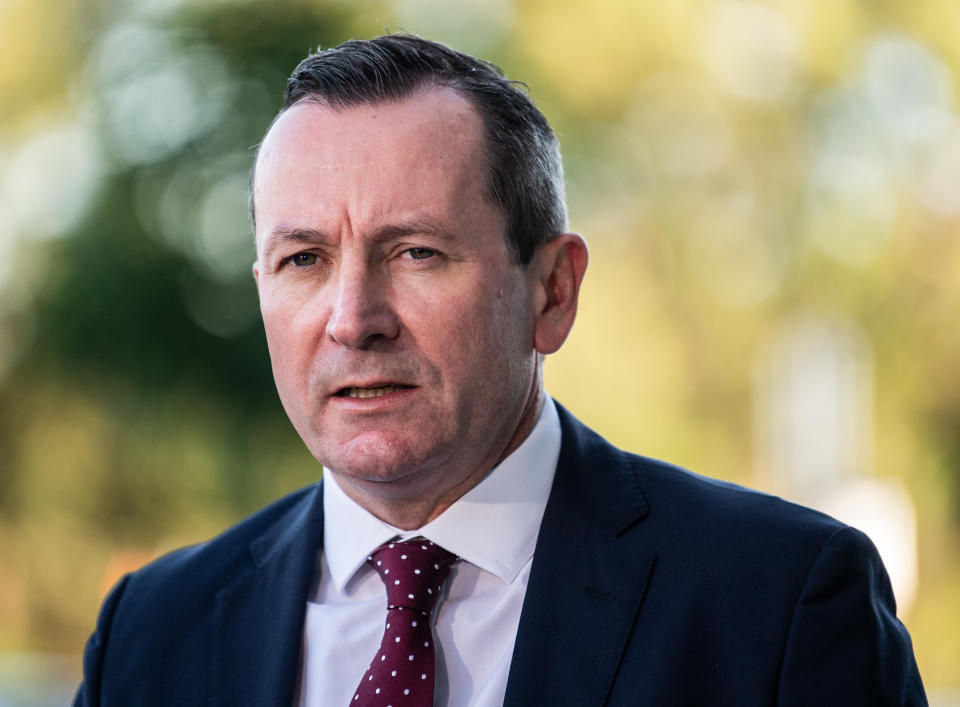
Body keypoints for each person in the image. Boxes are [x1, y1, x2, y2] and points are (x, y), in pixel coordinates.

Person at [74, 34, 927, 706]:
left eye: (415, 251)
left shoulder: (777, 605)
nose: (352, 319)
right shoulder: (153, 633)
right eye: (303, 259)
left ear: (553, 291)